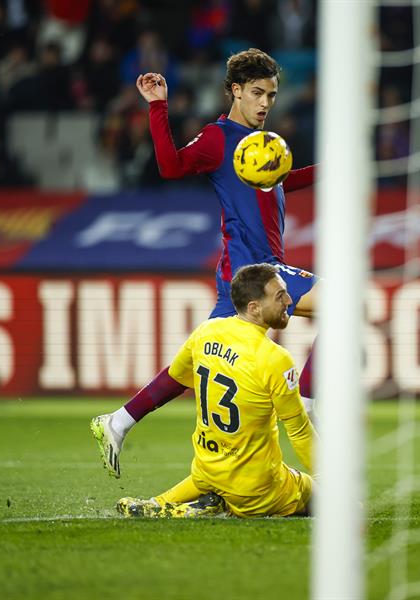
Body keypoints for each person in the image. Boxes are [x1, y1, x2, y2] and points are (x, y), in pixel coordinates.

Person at [91, 48, 319, 479]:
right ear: (236, 90)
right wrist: (158, 106)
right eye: (257, 93)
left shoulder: (262, 145)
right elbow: (171, 167)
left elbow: (280, 181)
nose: (266, 103)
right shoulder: (219, 138)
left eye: (271, 95)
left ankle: (119, 421)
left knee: (197, 358)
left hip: (245, 273)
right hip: (254, 270)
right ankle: (307, 400)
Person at [116, 263, 316, 519]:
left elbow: (176, 377)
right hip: (257, 490)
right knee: (327, 496)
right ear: (254, 307)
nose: (289, 301)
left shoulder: (206, 331)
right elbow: (299, 431)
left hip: (208, 471)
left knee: (213, 476)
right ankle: (184, 511)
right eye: (280, 296)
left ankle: (159, 503)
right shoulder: (275, 358)